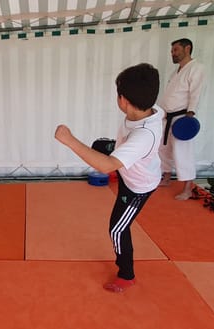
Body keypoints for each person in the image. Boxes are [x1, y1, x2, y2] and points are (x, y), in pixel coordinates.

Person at [55, 63, 164, 293]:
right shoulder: (149, 110)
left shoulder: (144, 135)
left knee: (117, 229)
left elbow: (106, 167)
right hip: (132, 163)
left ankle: (127, 274)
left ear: (123, 100)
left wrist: (69, 139)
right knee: (97, 146)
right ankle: (115, 154)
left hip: (138, 186)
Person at [158, 38, 205, 200]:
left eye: (176, 50)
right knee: (163, 149)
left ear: (188, 48)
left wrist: (190, 116)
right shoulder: (177, 71)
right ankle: (165, 177)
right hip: (168, 117)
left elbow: (195, 93)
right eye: (172, 51)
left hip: (182, 118)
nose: (173, 54)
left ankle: (187, 188)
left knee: (182, 152)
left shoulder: (196, 68)